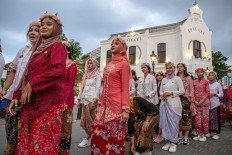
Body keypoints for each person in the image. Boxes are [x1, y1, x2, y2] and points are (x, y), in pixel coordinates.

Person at [9, 13, 66, 154]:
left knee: (41, 146)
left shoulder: (57, 45)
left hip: (49, 103)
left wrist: (33, 83)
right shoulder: (37, 50)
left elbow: (59, 71)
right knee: (29, 146)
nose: (43, 27)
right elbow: (26, 74)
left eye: (49, 24)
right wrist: (16, 95)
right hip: (32, 103)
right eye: (42, 25)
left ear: (57, 28)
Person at [0, 21, 40, 155]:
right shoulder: (22, 51)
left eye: (36, 30)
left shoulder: (42, 53)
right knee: (9, 126)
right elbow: (13, 71)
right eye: (30, 30)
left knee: (22, 131)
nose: (33, 33)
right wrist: (4, 89)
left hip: (29, 98)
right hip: (13, 96)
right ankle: (11, 149)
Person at [91, 37, 130, 155]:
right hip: (104, 106)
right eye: (112, 43)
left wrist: (125, 109)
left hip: (117, 107)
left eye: (116, 43)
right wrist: (100, 103)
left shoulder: (124, 65)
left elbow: (125, 88)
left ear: (123, 47)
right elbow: (105, 86)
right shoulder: (107, 65)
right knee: (96, 129)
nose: (113, 45)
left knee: (115, 137)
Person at [159, 62, 185, 153]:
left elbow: (182, 91)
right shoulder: (164, 80)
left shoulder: (177, 79)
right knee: (166, 124)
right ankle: (168, 141)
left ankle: (174, 142)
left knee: (174, 124)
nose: (168, 69)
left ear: (174, 69)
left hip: (174, 104)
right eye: (167, 68)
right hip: (164, 104)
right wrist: (162, 95)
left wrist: (171, 93)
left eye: (170, 68)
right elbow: (161, 91)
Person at [77, 58, 101, 148]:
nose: (89, 65)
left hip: (92, 100)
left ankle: (88, 139)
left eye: (91, 63)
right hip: (84, 100)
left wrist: (95, 100)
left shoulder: (97, 75)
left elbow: (98, 88)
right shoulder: (85, 75)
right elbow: (82, 88)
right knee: (84, 121)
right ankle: (92, 138)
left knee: (92, 120)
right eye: (88, 63)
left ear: (95, 65)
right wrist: (79, 99)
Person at [58, 41, 77, 154]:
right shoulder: (57, 63)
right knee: (56, 124)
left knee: (65, 125)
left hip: (66, 98)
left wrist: (65, 100)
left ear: (68, 51)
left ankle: (64, 150)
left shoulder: (72, 64)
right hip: (55, 98)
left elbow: (71, 84)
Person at [176, 63, 194, 145]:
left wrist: (192, 103)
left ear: (184, 68)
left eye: (181, 67)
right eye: (178, 67)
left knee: (187, 118)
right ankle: (180, 137)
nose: (179, 68)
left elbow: (191, 90)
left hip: (186, 100)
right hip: (177, 99)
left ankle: (186, 137)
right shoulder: (175, 78)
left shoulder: (188, 78)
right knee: (178, 118)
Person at [192, 68, 210, 142]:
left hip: (204, 103)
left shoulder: (206, 82)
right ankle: (198, 134)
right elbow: (192, 92)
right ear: (196, 73)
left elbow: (207, 92)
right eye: (198, 72)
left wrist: (202, 100)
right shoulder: (194, 82)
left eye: (201, 72)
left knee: (204, 119)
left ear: (203, 73)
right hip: (196, 103)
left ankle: (204, 134)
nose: (199, 74)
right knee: (197, 119)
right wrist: (195, 101)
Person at [207, 71, 223, 140]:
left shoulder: (217, 84)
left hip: (215, 104)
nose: (211, 76)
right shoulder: (206, 83)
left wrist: (214, 94)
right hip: (207, 104)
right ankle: (209, 132)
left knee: (216, 119)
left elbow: (221, 94)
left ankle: (217, 133)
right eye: (209, 75)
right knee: (209, 119)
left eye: (212, 75)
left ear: (215, 76)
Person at [153, 71, 165, 143]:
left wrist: (160, 98)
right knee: (156, 118)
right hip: (155, 102)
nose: (159, 77)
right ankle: (157, 133)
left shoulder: (164, 83)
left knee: (161, 118)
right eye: (158, 75)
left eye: (161, 75)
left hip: (162, 101)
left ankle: (161, 134)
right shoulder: (155, 83)